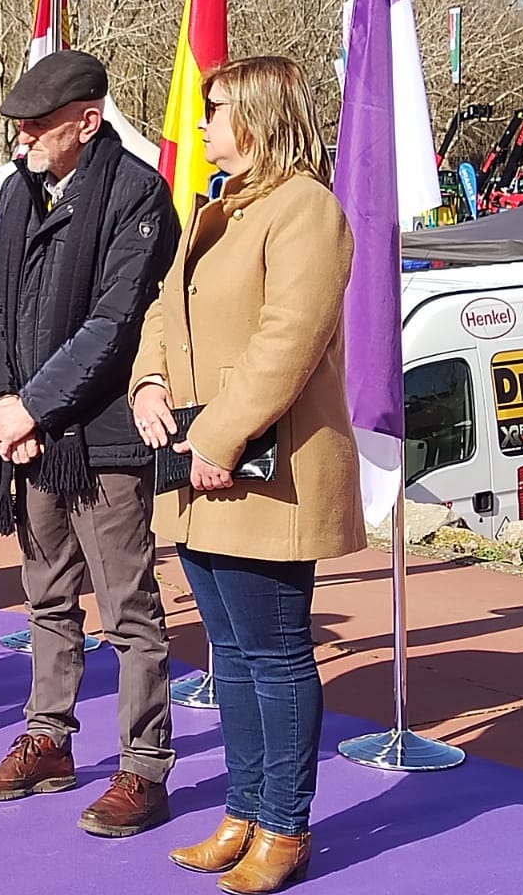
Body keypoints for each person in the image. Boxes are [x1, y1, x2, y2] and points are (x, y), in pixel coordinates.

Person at [130, 56, 363, 893]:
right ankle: (243, 809)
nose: (201, 125)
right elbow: (163, 310)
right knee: (228, 652)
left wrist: (219, 438)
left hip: (266, 469)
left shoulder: (307, 211)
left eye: (214, 109)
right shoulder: (215, 210)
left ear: (258, 116)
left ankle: (285, 828)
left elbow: (286, 345)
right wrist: (149, 383)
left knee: (273, 653)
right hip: (199, 464)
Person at [0, 50, 180, 838]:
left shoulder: (137, 193)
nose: (21, 145)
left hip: (104, 438)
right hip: (26, 435)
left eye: (36, 130)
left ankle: (143, 768)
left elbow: (116, 325)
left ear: (87, 122)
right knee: (47, 598)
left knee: (128, 610)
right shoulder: (19, 191)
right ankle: (48, 739)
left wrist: (32, 408)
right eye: (18, 130)